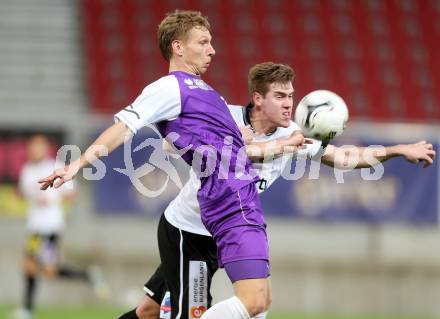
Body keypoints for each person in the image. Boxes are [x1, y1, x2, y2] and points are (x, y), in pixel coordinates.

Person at [117, 61, 436, 319]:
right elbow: (172, 143)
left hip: (228, 232)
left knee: (149, 311)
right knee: (222, 309)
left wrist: (398, 149)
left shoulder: (296, 134)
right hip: (190, 231)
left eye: (291, 96)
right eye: (281, 96)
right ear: (258, 99)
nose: (289, 104)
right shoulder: (223, 117)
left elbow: (344, 158)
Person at [39, 11, 304, 319]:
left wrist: (250, 141)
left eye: (211, 42)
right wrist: (79, 164)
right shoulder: (169, 88)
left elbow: (224, 150)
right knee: (197, 312)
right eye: (203, 42)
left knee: (149, 311)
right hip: (190, 228)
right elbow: (124, 127)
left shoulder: (209, 93)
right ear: (178, 47)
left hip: (210, 220)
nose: (212, 50)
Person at [16, 135, 108, 319]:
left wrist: (54, 197)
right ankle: (26, 310)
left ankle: (87, 275)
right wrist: (33, 198)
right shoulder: (26, 169)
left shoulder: (54, 167)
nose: (35, 150)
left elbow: (73, 191)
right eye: (32, 147)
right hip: (35, 226)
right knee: (30, 266)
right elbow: (23, 193)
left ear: (45, 148)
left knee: (49, 271)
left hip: (50, 227)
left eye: (39, 147)